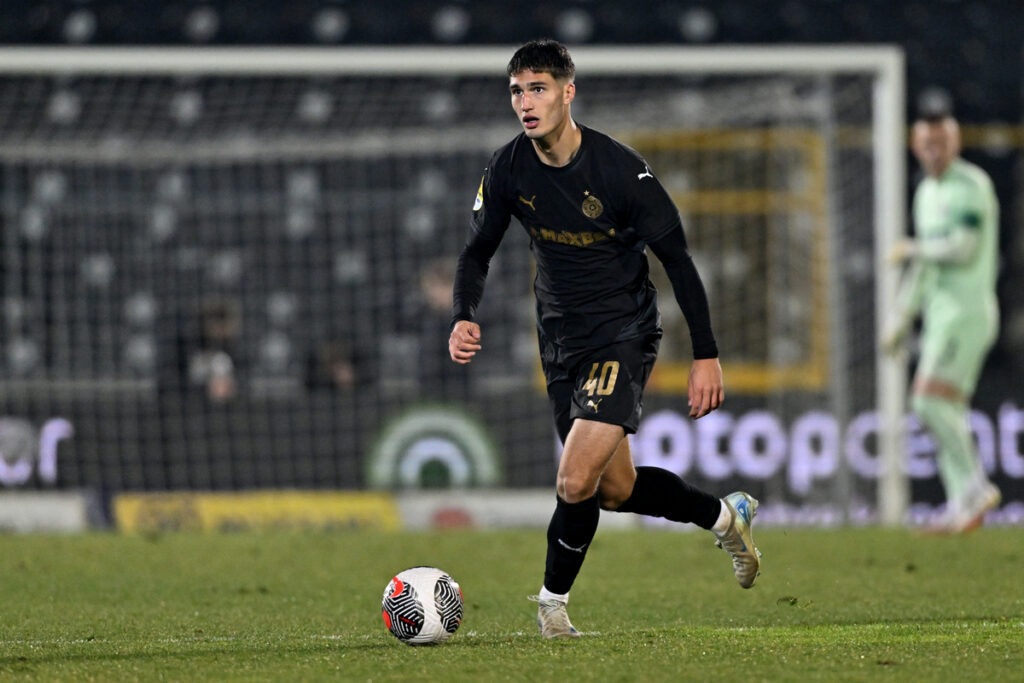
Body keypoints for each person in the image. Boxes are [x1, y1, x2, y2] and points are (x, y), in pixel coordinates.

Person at [448, 39, 761, 639]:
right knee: (615, 489)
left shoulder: (621, 171)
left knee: (572, 480)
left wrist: (706, 354)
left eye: (537, 89)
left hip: (623, 335)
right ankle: (726, 517)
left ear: (568, 92)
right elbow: (476, 252)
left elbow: (680, 261)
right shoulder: (509, 166)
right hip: (560, 342)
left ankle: (551, 606)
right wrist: (465, 313)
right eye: (516, 91)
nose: (524, 102)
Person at [883, 105, 1001, 533]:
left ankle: (975, 486)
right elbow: (927, 267)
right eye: (927, 143)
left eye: (943, 142)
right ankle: (961, 507)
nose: (935, 150)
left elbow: (964, 249)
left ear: (957, 143)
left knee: (927, 401)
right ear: (915, 145)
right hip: (939, 317)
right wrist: (900, 317)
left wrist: (914, 247)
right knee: (947, 408)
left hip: (967, 314)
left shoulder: (972, 185)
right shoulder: (925, 194)